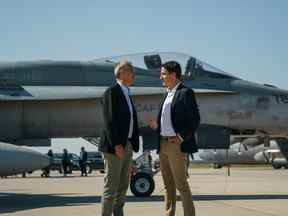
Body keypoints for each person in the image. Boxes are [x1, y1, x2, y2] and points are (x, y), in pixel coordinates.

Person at [149, 61, 200, 216]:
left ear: (173, 75)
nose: (161, 77)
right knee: (168, 185)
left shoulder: (186, 92)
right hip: (163, 143)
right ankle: (169, 213)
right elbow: (171, 120)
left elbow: (195, 119)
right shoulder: (167, 93)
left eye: (163, 74)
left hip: (176, 145)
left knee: (181, 185)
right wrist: (157, 127)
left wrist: (181, 137)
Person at [99, 60, 139, 216]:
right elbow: (109, 120)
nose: (134, 75)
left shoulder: (127, 93)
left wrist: (132, 144)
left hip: (127, 145)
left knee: (123, 186)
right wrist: (117, 145)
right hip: (115, 147)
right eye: (131, 71)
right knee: (111, 187)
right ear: (122, 73)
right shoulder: (112, 92)